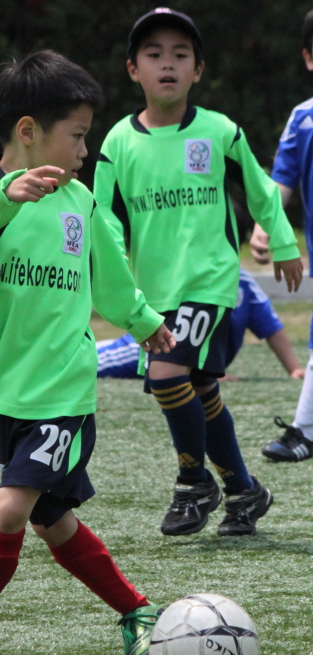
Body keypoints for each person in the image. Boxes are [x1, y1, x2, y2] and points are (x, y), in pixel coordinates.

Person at [0, 51, 176, 655]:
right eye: (76, 135)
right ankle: (137, 611)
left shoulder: (82, 200)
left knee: (10, 509)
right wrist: (8, 193)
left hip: (65, 395)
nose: (84, 150)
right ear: (28, 131)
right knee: (54, 523)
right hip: (6, 392)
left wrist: (146, 323)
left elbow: (112, 285)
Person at [94, 8, 303, 537]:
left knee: (165, 374)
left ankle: (193, 482)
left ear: (198, 71)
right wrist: (113, 284)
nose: (168, 64)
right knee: (201, 388)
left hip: (210, 283)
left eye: (180, 55)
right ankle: (243, 491)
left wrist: (281, 243)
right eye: (154, 54)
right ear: (132, 69)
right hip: (154, 293)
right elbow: (105, 223)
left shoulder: (218, 132)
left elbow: (259, 190)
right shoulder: (117, 144)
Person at [250, 9, 313, 463]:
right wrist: (264, 227)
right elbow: (281, 181)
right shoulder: (303, 119)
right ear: (309, 59)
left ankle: (305, 431)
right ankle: (305, 431)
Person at [97, 270, 305, 380]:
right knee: (91, 361)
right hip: (156, 346)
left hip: (178, 359)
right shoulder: (185, 276)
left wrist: (293, 369)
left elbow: (271, 327)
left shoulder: (241, 282)